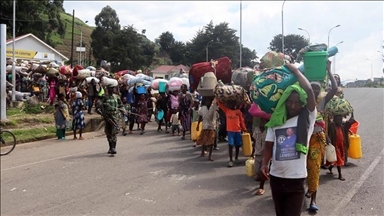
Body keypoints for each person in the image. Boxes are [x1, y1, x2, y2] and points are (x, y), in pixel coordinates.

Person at [260, 64, 316, 216]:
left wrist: (296, 71)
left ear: (302, 104)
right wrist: (264, 163)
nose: (293, 105)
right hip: (276, 178)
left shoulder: (306, 119)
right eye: (290, 101)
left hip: (296, 179)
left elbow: (309, 91)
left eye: (297, 102)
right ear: (284, 101)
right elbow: (268, 146)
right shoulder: (276, 121)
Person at [306, 61, 338, 211]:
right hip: (301, 140)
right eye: (311, 87)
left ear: (320, 91)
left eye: (316, 88)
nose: (314, 90)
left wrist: (329, 70)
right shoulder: (301, 101)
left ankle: (313, 200)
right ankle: (303, 191)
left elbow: (335, 88)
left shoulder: (322, 101)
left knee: (314, 168)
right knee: (302, 168)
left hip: (317, 139)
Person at [216, 100, 247, 167]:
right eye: (229, 104)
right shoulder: (227, 111)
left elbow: (241, 121)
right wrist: (217, 99)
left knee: (237, 145)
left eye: (232, 104)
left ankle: (236, 158)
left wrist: (244, 128)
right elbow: (220, 105)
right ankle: (230, 160)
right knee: (230, 145)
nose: (231, 105)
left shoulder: (238, 112)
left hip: (238, 131)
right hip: (230, 131)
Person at [327, 113, 355, 181]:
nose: (339, 121)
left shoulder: (342, 126)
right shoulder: (332, 125)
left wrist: (352, 113)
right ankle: (340, 175)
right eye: (338, 119)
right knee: (339, 159)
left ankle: (330, 167)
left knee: (338, 159)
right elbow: (327, 126)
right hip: (335, 145)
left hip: (341, 145)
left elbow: (350, 121)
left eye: (340, 119)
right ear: (334, 120)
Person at [97, 85, 124, 154]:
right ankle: (110, 147)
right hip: (107, 117)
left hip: (115, 117)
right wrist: (103, 113)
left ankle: (113, 148)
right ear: (107, 89)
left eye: (113, 88)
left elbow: (121, 106)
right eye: (110, 88)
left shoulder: (116, 97)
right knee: (108, 132)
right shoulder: (104, 97)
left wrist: (123, 111)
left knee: (114, 132)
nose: (112, 90)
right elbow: (98, 108)